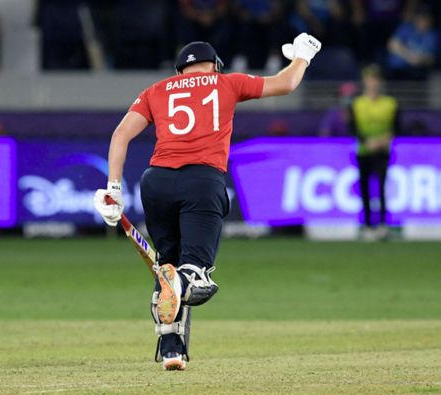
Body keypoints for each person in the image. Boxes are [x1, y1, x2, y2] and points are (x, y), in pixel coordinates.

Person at [93, 33, 321, 370]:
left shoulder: (155, 91)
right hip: (202, 180)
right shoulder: (226, 83)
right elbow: (286, 83)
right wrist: (303, 55)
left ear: (179, 70)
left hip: (155, 181)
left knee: (166, 267)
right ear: (214, 66)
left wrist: (113, 188)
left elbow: (120, 134)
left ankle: (171, 349)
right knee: (194, 276)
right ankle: (180, 284)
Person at [349, 64, 398, 240]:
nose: (373, 82)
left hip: (382, 151)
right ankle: (368, 225)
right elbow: (353, 128)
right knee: (365, 188)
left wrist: (383, 140)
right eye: (370, 78)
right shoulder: (357, 104)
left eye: (376, 79)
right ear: (365, 81)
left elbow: (397, 127)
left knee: (382, 187)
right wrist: (366, 142)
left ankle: (383, 225)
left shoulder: (390, 104)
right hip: (364, 151)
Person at [386, 5, 439, 81]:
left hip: (419, 72)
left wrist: (420, 59)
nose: (422, 22)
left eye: (425, 19)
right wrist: (409, 56)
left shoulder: (433, 35)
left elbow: (432, 59)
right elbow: (391, 44)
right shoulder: (406, 28)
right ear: (415, 19)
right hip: (397, 70)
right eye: (420, 19)